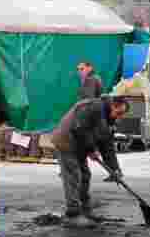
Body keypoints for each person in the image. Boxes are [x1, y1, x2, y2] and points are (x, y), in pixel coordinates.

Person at [50, 95, 129, 225]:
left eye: (122, 115)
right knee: (73, 175)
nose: (119, 117)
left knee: (85, 175)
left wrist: (115, 169)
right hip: (66, 141)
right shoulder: (94, 107)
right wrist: (91, 149)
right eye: (119, 113)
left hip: (80, 145)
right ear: (113, 105)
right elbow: (80, 128)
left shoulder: (109, 119)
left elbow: (107, 146)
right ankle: (73, 213)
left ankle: (85, 209)